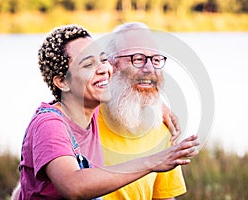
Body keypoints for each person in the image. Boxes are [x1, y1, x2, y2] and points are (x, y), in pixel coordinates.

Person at [12, 24, 199, 199]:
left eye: (102, 59)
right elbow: (73, 186)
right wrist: (152, 162)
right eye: (88, 64)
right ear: (62, 82)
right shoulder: (50, 124)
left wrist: (155, 103)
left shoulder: (90, 113)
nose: (102, 69)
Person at [98, 22, 188, 199]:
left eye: (156, 60)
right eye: (137, 59)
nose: (149, 69)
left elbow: (163, 197)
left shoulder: (162, 127)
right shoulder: (84, 116)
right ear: (111, 65)